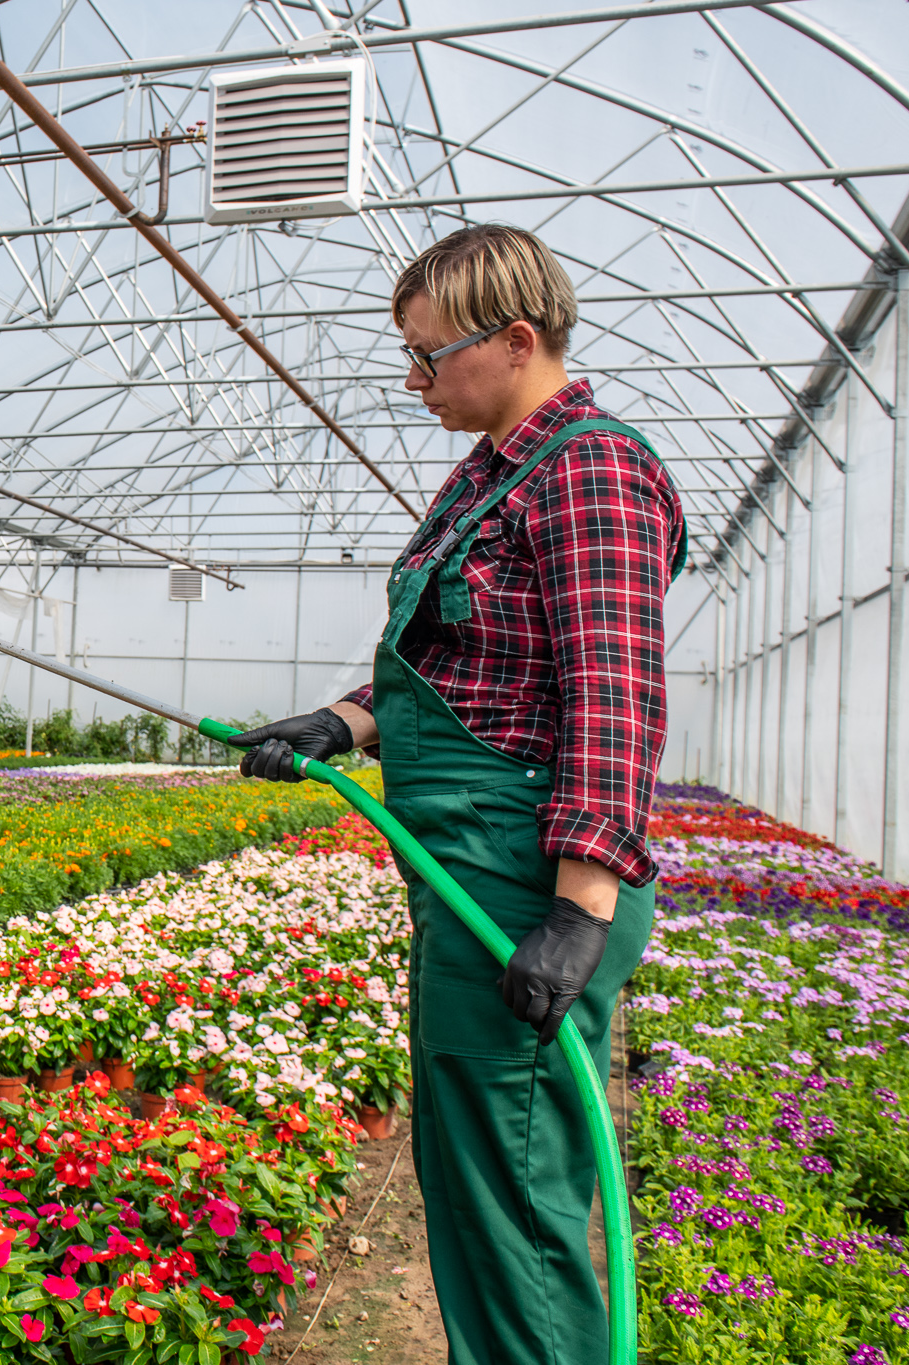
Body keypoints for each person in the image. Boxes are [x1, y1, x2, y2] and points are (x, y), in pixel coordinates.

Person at [235, 225, 685, 1365]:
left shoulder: (590, 468)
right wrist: (335, 723)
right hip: (466, 874)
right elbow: (448, 663)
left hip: (521, 885)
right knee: (476, 1180)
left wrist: (576, 910)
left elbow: (610, 689)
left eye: (427, 356)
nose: (412, 377)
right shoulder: (487, 474)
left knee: (514, 1205)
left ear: (517, 340)